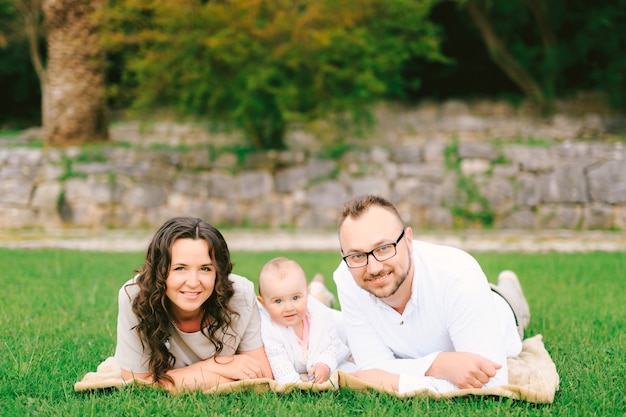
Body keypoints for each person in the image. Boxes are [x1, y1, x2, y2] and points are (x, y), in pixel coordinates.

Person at [333, 194, 530, 394]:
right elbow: (371, 368)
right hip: (453, 304)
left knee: (510, 300)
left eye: (384, 248)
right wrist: (436, 365)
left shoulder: (459, 276)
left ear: (408, 240)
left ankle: (509, 284)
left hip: (501, 309)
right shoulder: (347, 276)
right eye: (357, 255)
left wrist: (395, 381)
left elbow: (490, 385)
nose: (373, 268)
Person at [114, 217, 273, 392]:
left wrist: (169, 379)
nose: (193, 282)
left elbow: (261, 376)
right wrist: (218, 365)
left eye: (205, 268)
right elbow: (139, 383)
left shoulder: (240, 294)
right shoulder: (136, 297)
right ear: (159, 270)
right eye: (180, 268)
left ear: (218, 272)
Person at [256, 257, 356, 384]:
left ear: (306, 293)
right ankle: (317, 287)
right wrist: (292, 384)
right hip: (310, 303)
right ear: (263, 303)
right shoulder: (269, 329)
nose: (289, 308)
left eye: (296, 297)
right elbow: (278, 360)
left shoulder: (320, 316)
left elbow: (331, 345)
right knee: (317, 299)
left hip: (336, 322)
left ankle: (318, 288)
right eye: (278, 301)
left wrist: (324, 364)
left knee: (347, 329)